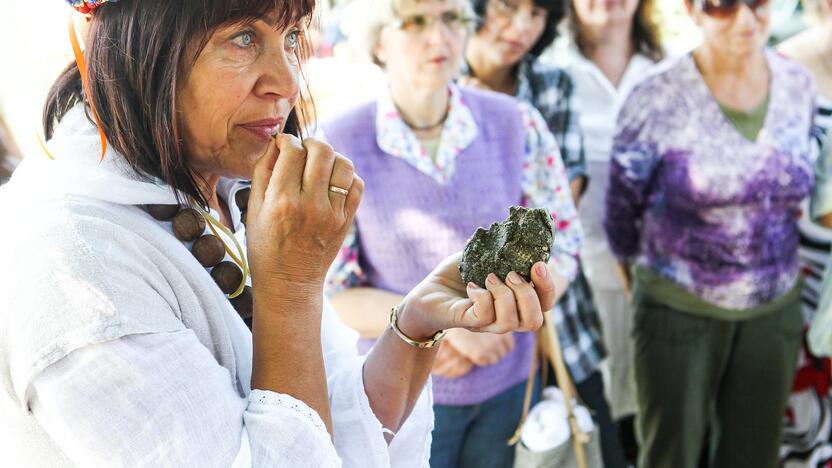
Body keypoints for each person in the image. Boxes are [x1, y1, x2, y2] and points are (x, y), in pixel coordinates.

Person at [0, 0, 558, 465]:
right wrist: (289, 288)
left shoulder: (213, 187)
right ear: (136, 47)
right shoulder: (73, 263)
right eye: (243, 37)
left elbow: (336, 428)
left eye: (291, 34)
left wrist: (414, 326)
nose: (288, 82)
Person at [321, 0, 583, 466]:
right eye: (416, 21)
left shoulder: (516, 123)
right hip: (397, 402)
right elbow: (331, 294)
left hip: (507, 386)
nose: (440, 38)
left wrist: (523, 307)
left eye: (451, 19)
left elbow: (564, 239)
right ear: (379, 40)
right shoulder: (338, 144)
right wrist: (450, 327)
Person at [603, 0, 816, 464]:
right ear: (691, 9)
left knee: (754, 455)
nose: (745, 19)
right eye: (721, 5)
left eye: (758, 2)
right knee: (670, 453)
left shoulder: (798, 85)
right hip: (676, 312)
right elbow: (621, 214)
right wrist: (646, 295)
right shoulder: (655, 95)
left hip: (773, 311)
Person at [461, 0, 624, 466]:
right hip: (473, 326)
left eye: (538, 14)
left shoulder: (552, 86)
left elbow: (555, 211)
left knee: (595, 446)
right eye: (508, 8)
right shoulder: (436, 87)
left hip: (557, 305)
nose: (521, 27)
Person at [545, 0, 663, 458]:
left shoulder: (667, 66)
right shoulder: (552, 69)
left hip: (659, 278)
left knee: (658, 407)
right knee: (604, 420)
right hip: (579, 286)